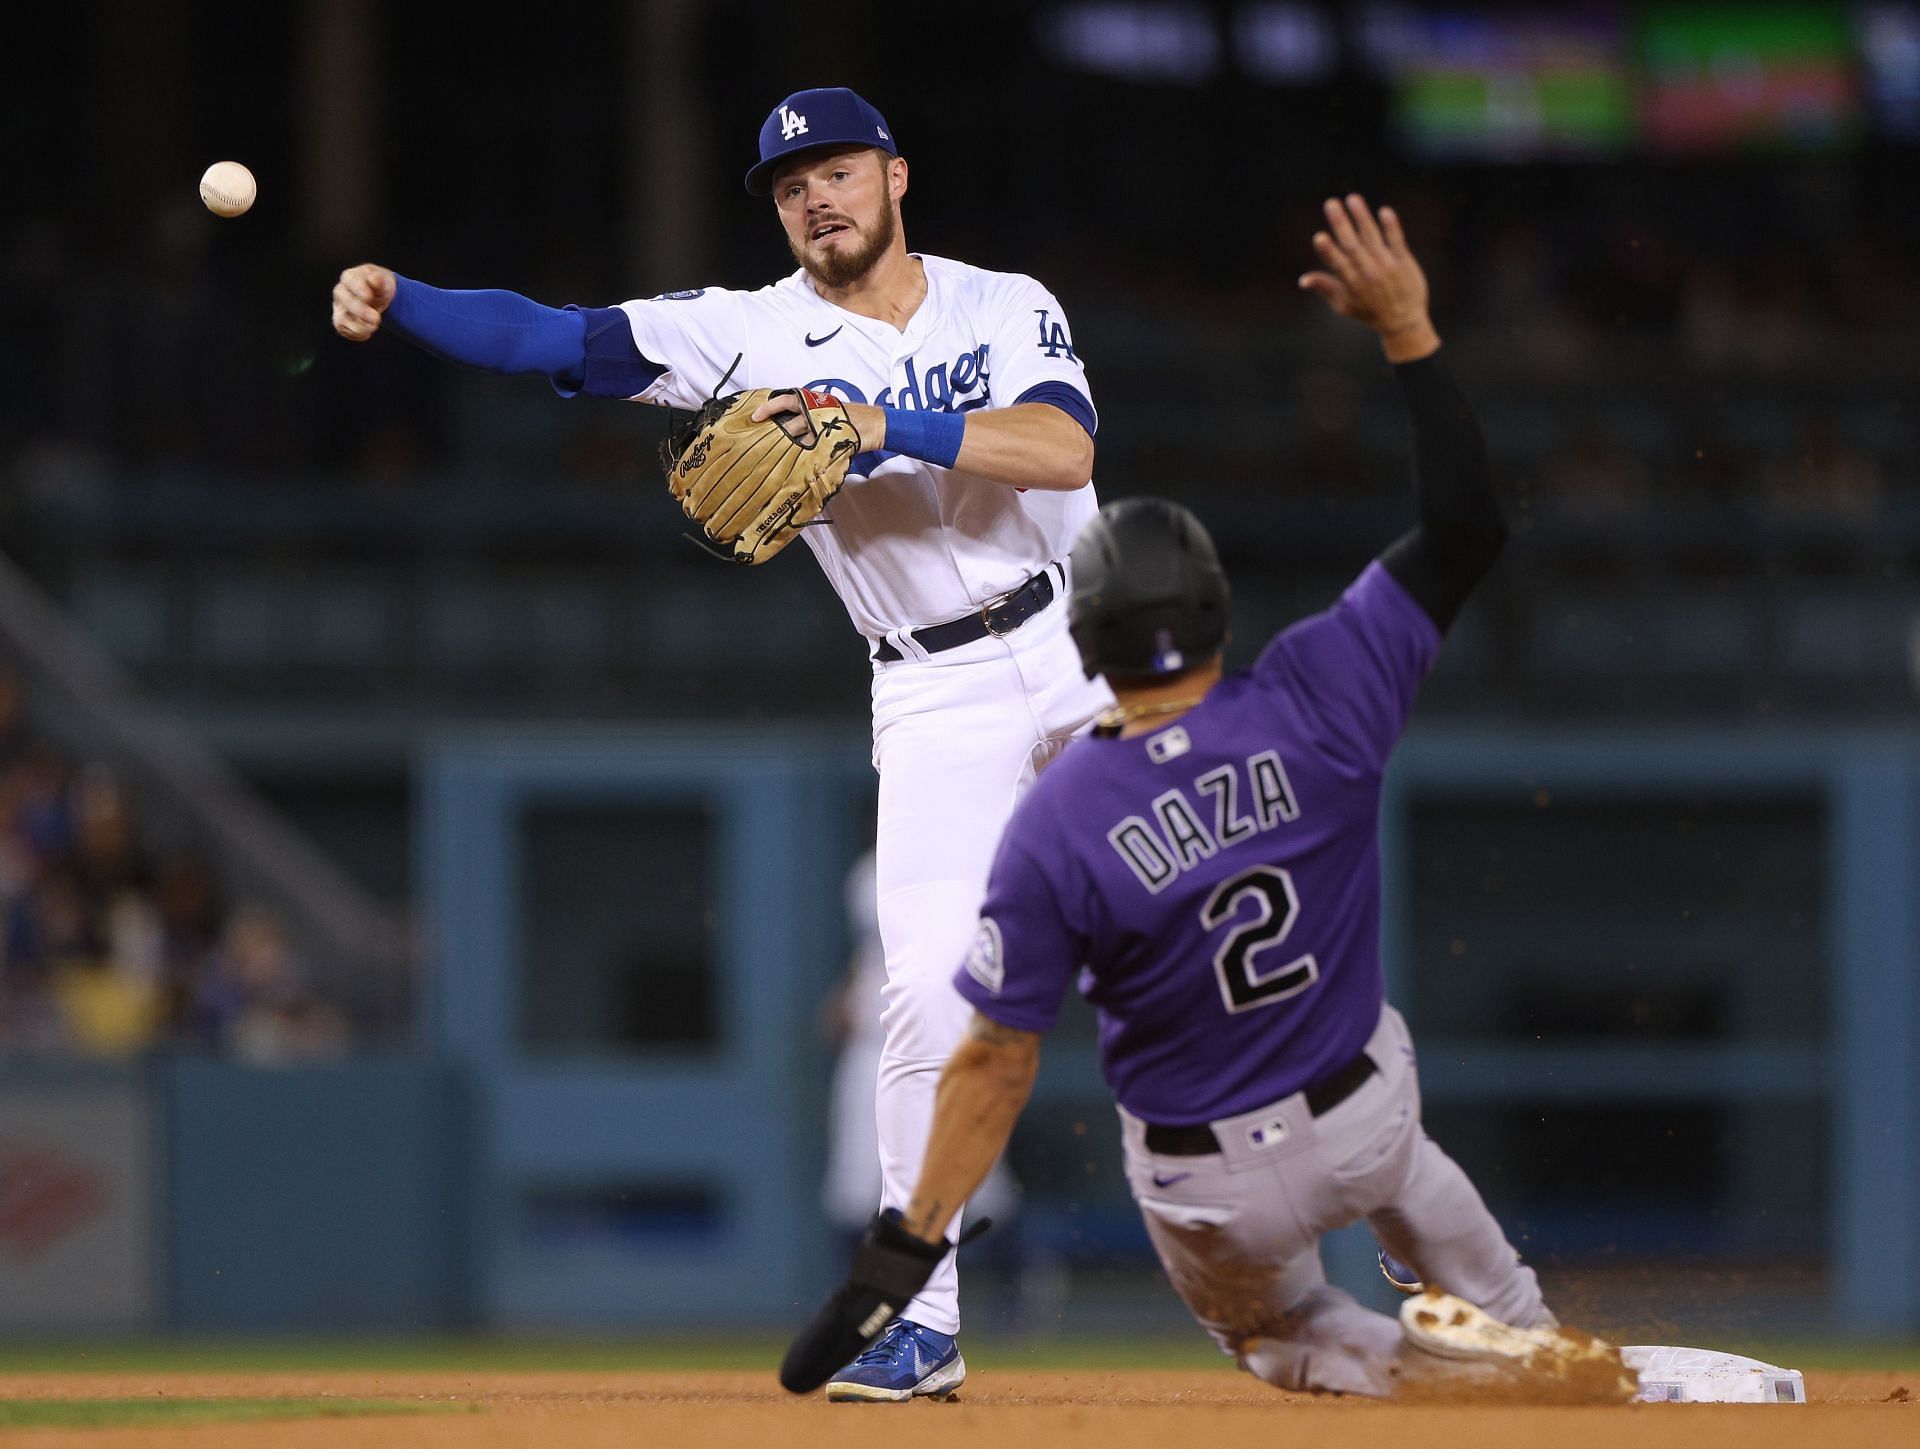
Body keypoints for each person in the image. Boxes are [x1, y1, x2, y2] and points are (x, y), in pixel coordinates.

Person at [780, 196, 1637, 1402]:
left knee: (1291, 1342)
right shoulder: (1316, 695)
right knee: (1478, 1267)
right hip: (1365, 1129)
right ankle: (1502, 1328)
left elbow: (993, 1065)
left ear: (1080, 633)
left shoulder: (1059, 819)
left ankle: (1360, 1362)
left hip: (1205, 1194)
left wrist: (907, 1244)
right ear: (1224, 613)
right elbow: (1465, 525)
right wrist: (1408, 334)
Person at [330, 87, 1112, 1398]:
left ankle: (1410, 1245)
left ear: (896, 176)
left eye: (839, 168)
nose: (816, 194)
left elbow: (1059, 443)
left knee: (1219, 908)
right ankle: (922, 1324)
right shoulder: (747, 335)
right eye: (790, 182)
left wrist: (880, 425)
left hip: (1083, 642)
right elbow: (549, 339)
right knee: (919, 996)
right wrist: (404, 295)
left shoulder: (1002, 302)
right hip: (931, 692)